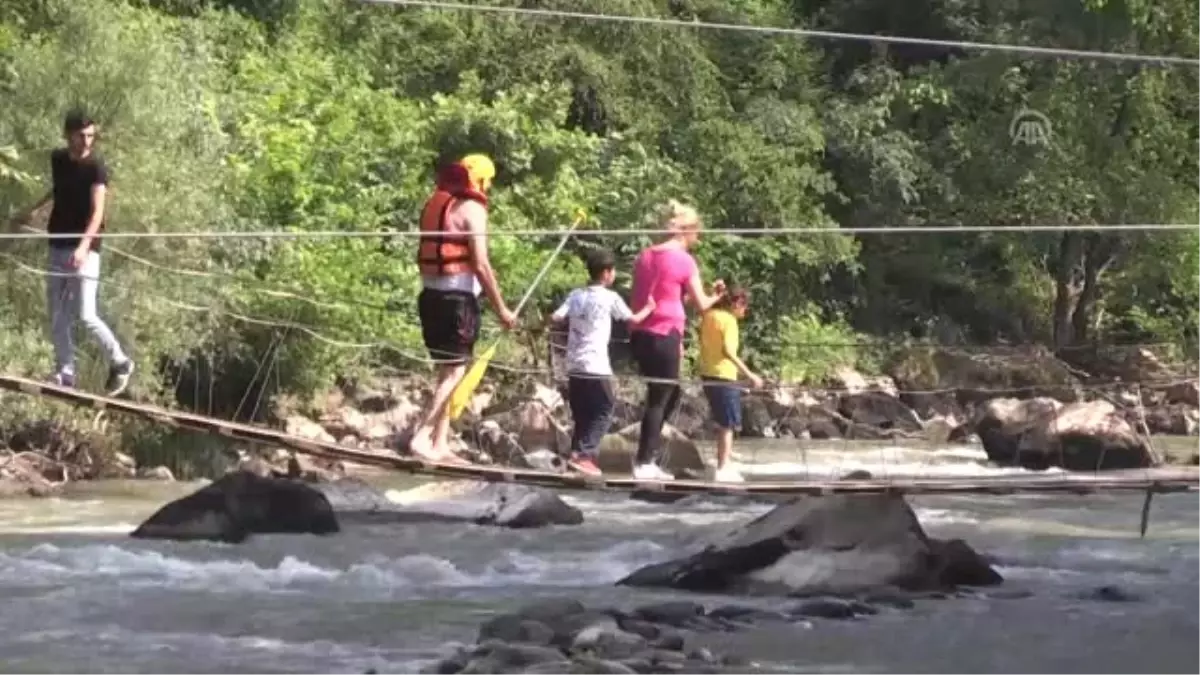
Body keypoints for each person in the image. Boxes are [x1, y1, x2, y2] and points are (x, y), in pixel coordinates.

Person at [13, 111, 134, 395]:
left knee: (86, 314)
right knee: (57, 315)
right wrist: (32, 210)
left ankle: (120, 361)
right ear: (68, 134)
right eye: (81, 136)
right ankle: (65, 372)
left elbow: (97, 214)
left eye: (91, 136)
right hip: (57, 243)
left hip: (85, 250)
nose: (87, 141)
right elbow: (57, 190)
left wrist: (82, 247)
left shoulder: (97, 169)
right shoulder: (58, 160)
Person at [409, 153, 517, 462]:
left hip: (430, 297)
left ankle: (440, 442)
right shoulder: (473, 208)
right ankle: (421, 436)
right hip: (457, 301)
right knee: (455, 370)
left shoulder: (435, 202)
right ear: (480, 181)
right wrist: (503, 311)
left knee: (447, 371)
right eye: (488, 183)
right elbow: (482, 265)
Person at [627, 199, 725, 481]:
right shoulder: (684, 260)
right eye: (697, 231)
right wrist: (717, 293)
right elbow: (703, 305)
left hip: (641, 334)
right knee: (660, 398)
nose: (699, 237)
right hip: (665, 333)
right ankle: (644, 462)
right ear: (686, 230)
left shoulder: (645, 255)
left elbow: (662, 295)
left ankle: (648, 456)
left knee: (668, 394)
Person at [549, 248, 656, 476]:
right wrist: (649, 307)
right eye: (613, 270)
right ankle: (584, 455)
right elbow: (633, 319)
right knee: (605, 409)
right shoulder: (610, 297)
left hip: (574, 363)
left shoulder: (576, 294)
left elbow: (556, 316)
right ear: (607, 273)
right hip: (596, 364)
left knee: (582, 413)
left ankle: (575, 457)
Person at [698, 287, 763, 482]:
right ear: (735, 303)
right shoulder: (729, 321)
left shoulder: (709, 315)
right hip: (724, 375)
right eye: (744, 305)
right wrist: (750, 374)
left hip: (707, 374)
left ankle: (723, 461)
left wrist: (711, 291)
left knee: (721, 421)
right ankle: (723, 467)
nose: (745, 310)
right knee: (728, 424)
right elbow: (728, 351)